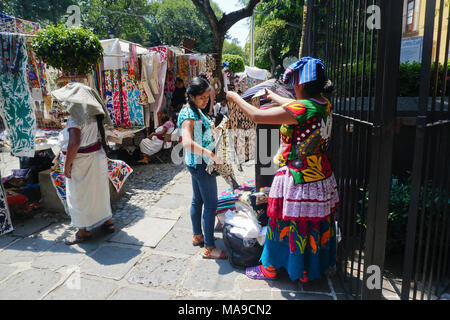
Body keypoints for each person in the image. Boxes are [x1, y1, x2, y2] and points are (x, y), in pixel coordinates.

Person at [226, 57, 338, 283]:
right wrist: (273, 96)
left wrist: (236, 97)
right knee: (312, 224)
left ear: (302, 84)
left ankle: (270, 269)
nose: (293, 86)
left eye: (295, 82)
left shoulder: (301, 108)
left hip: (299, 178)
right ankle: (307, 269)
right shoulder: (323, 103)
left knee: (283, 223)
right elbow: (294, 107)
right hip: (321, 175)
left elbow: (257, 116)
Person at [54, 83, 116, 245]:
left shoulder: (76, 118)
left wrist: (67, 166)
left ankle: (83, 231)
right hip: (96, 158)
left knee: (79, 196)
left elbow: (74, 143)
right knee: (99, 193)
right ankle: (107, 221)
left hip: (82, 163)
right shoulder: (94, 115)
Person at [177, 76, 227, 260]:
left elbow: (200, 134)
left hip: (196, 163)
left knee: (198, 200)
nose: (206, 101)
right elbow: (188, 142)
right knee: (210, 204)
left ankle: (198, 235)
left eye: (208, 97)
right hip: (201, 165)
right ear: (191, 96)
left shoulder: (195, 110)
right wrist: (211, 154)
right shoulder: (189, 115)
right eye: (202, 97)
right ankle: (209, 247)